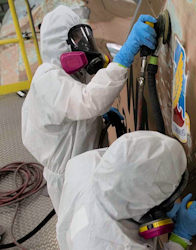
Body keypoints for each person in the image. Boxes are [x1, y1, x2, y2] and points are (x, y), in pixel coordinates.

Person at [21, 5, 157, 211]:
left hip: (84, 165)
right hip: (69, 177)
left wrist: (99, 117)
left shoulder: (72, 76)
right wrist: (125, 55)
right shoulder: (47, 78)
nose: (84, 45)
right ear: (59, 44)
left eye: (85, 37)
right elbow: (88, 101)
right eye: (77, 39)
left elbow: (72, 109)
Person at [48, 131, 196, 249]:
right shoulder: (120, 246)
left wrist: (161, 213)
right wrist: (180, 236)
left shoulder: (85, 163)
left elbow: (131, 167)